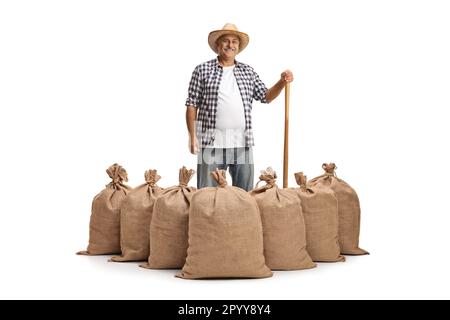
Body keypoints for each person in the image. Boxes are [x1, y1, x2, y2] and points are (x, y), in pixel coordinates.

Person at [185, 23, 293, 191]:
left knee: (245, 195)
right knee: (207, 195)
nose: (230, 45)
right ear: (217, 45)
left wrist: (281, 82)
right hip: (210, 142)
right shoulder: (202, 70)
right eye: (226, 41)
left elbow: (265, 96)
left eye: (234, 41)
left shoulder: (247, 71)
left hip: (242, 142)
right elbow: (192, 104)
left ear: (238, 46)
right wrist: (192, 136)